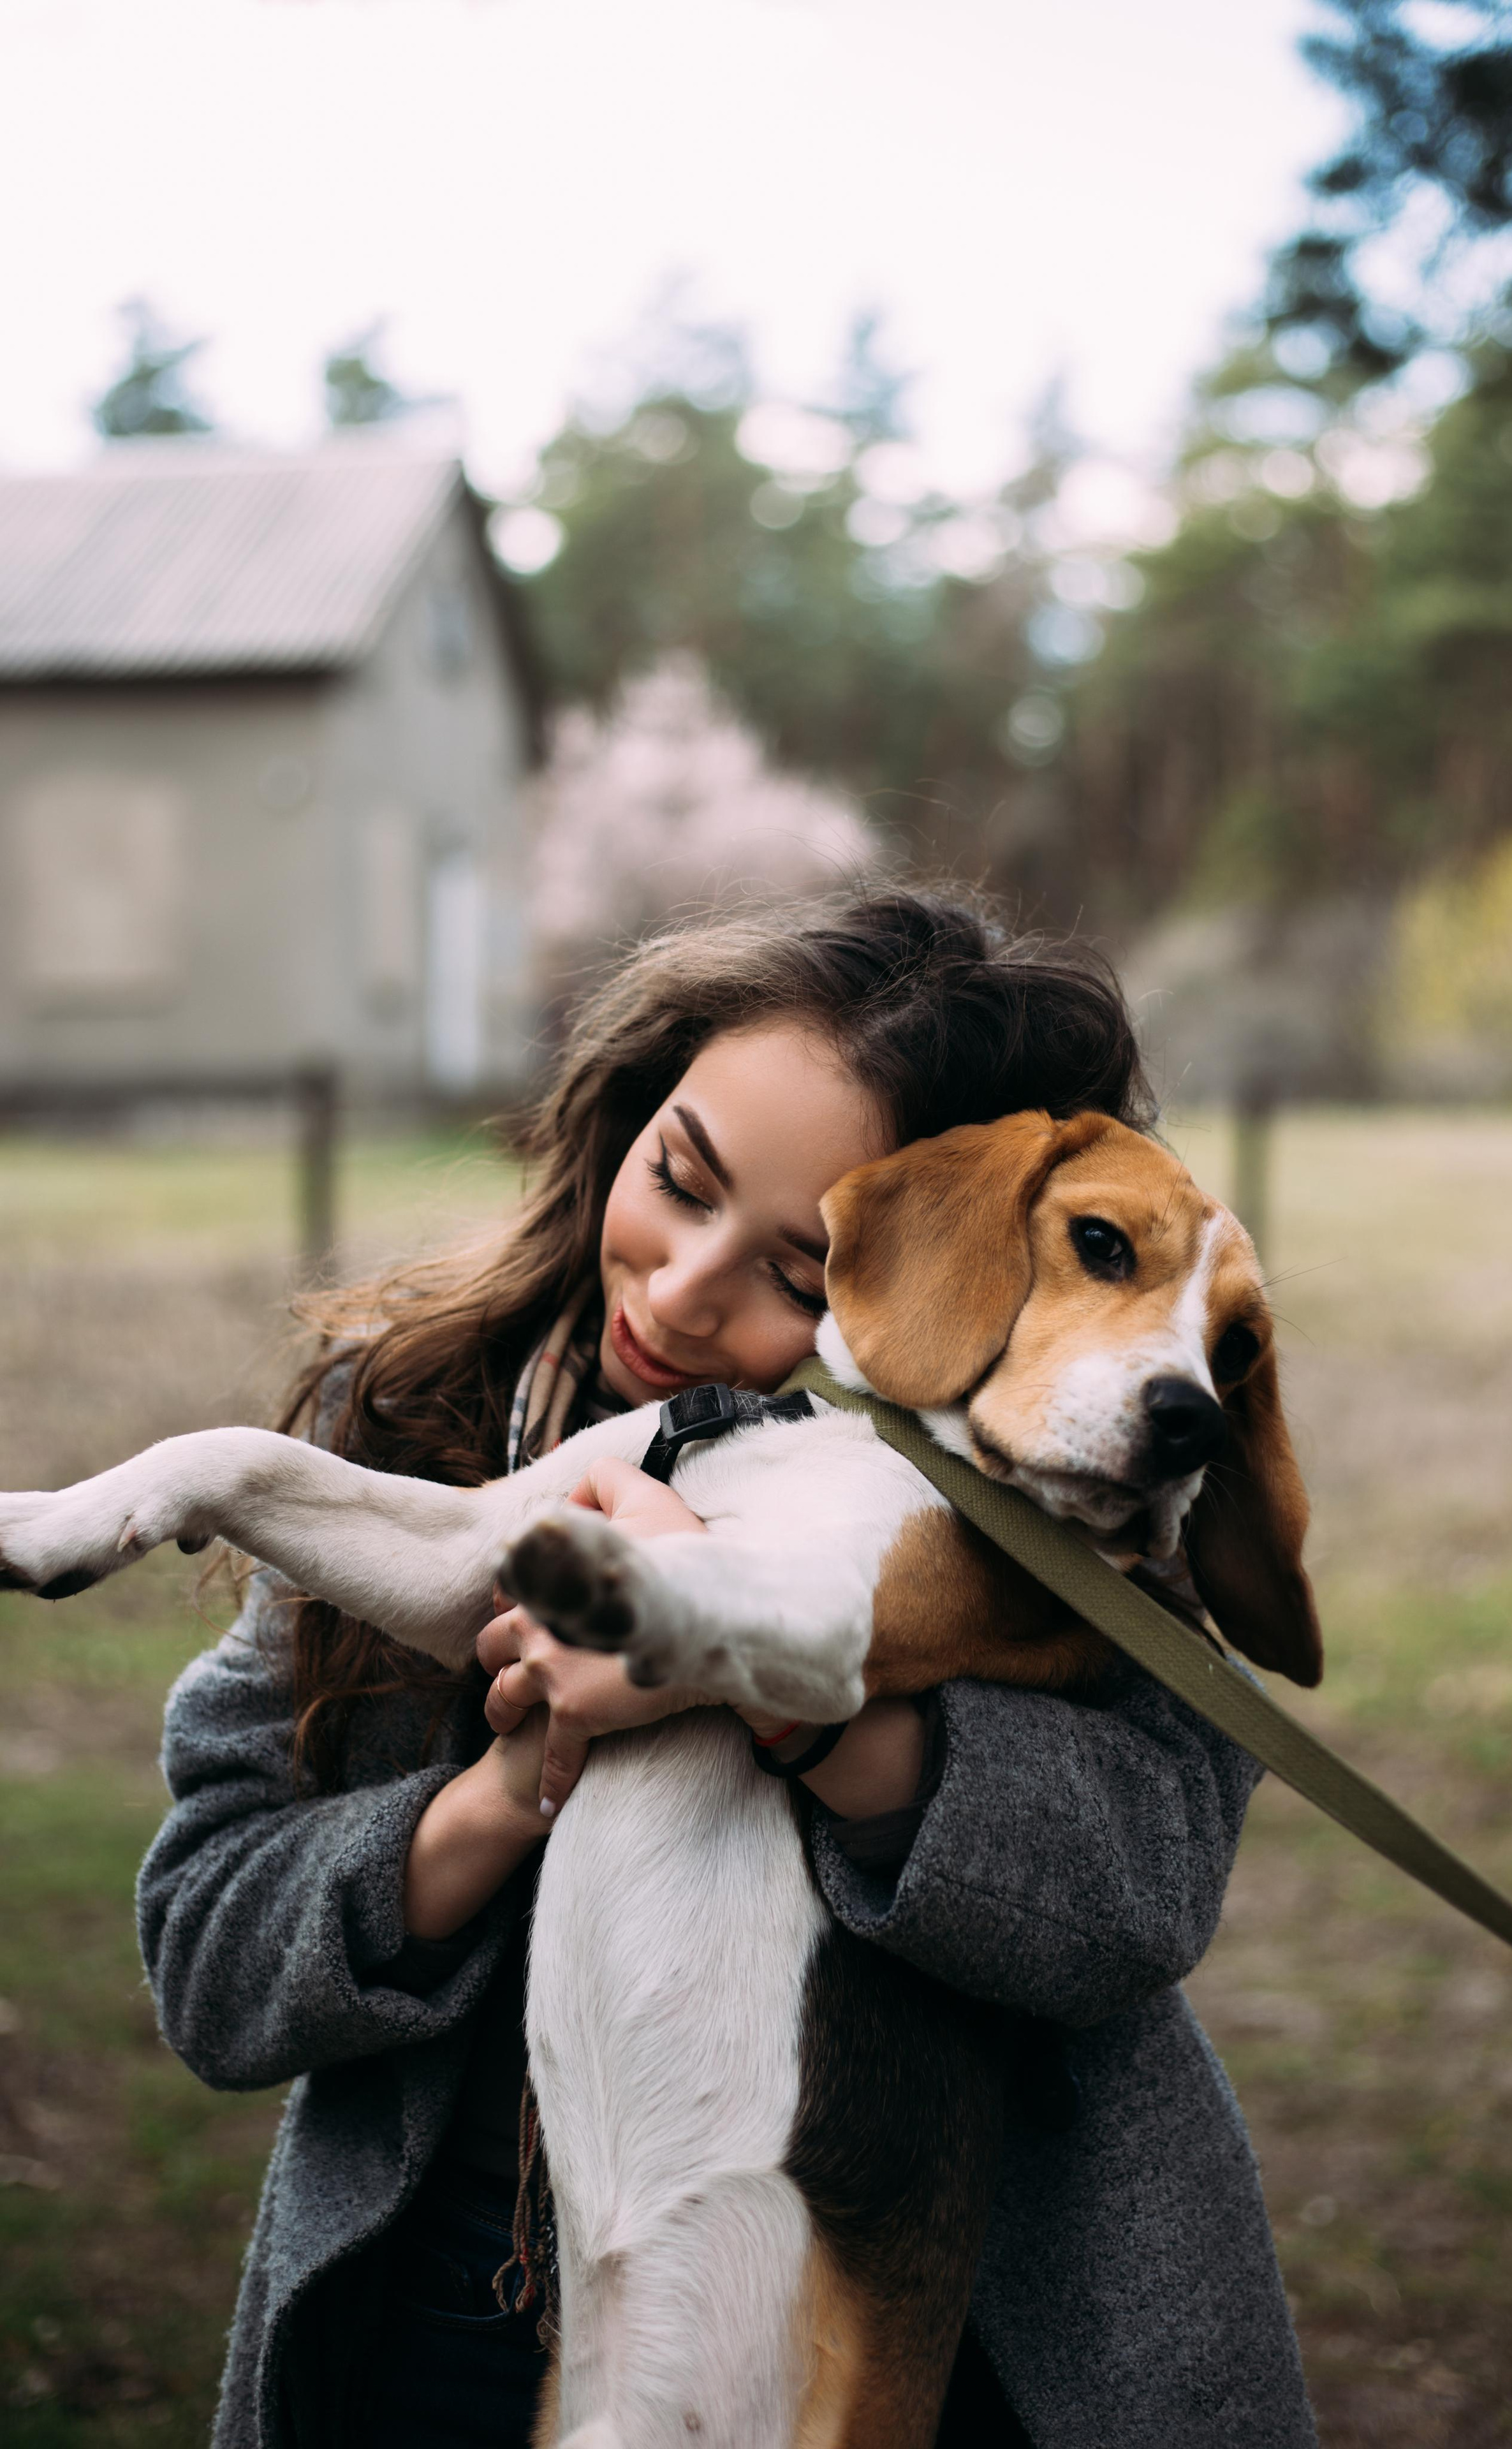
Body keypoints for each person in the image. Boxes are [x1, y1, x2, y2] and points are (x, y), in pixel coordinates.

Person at [137, 886, 1317, 2449]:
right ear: (630, 1111)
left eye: (804, 1276)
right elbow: (213, 1960)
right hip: (443, 2319)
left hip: (912, 2352)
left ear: (966, 1278)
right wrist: (504, 1783)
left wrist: (788, 1706)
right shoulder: (399, 1422)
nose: (684, 1292)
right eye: (677, 1179)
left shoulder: (1075, 1550)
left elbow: (1135, 1902)